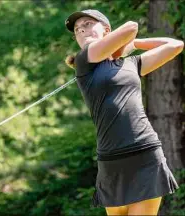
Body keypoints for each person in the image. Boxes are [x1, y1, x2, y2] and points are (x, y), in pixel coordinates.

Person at [64, 9, 184, 215]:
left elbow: (175, 45)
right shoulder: (84, 60)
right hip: (111, 161)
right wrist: (123, 42)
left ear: (107, 30)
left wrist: (134, 44)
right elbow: (130, 28)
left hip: (144, 154)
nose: (82, 30)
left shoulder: (132, 64)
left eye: (88, 24)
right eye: (77, 29)